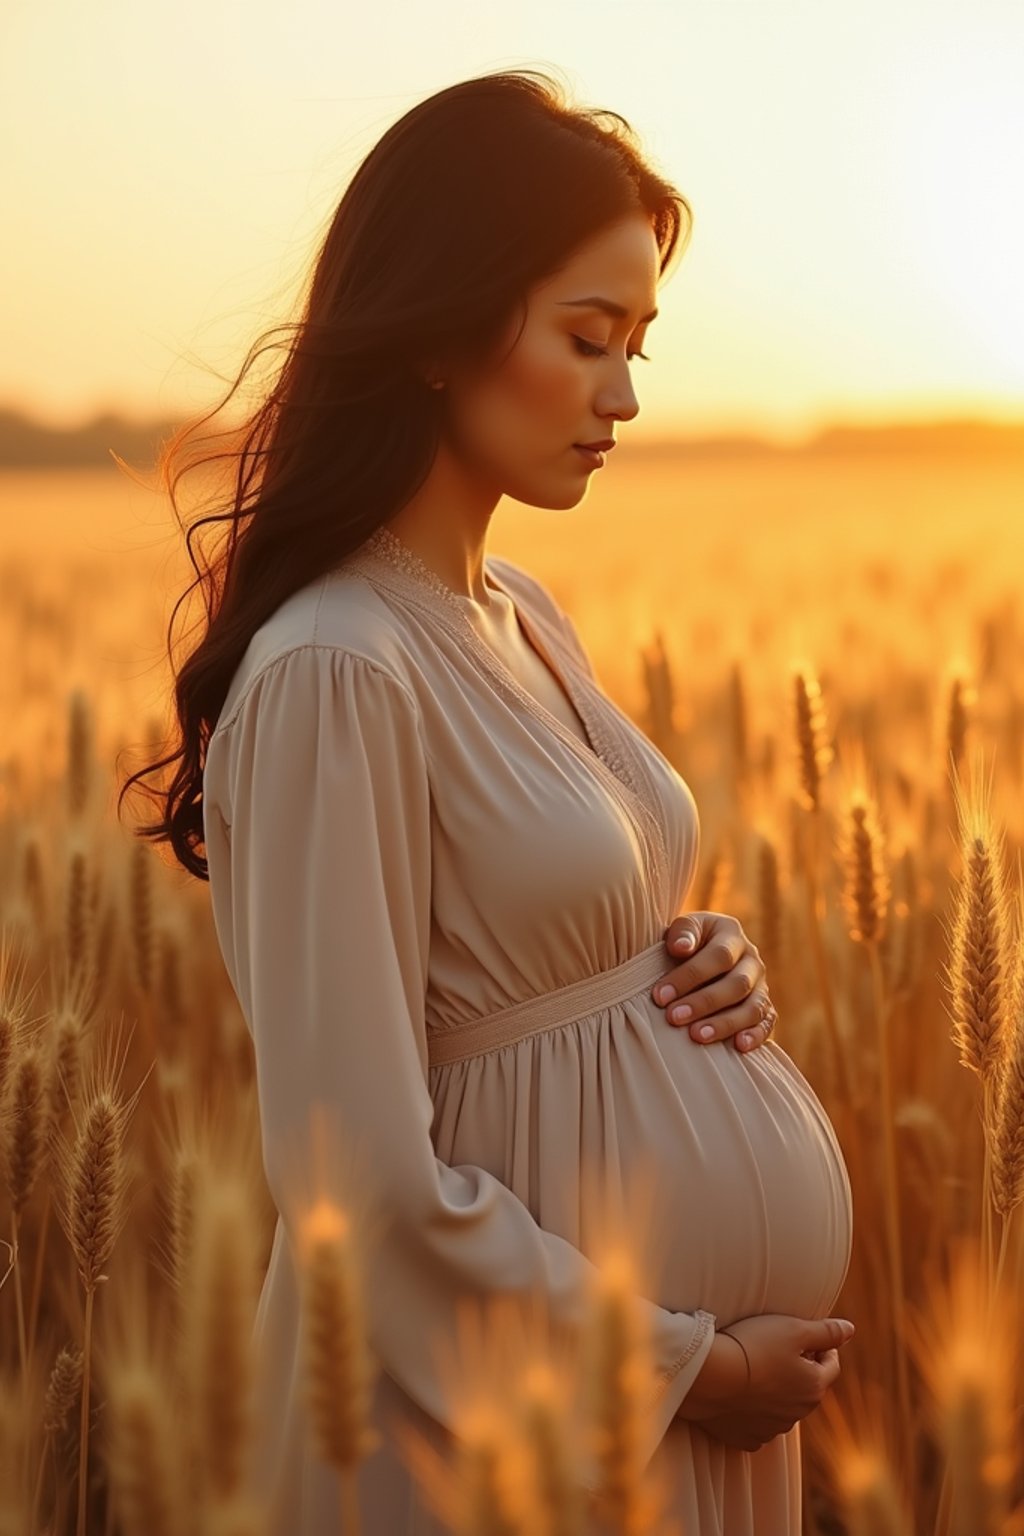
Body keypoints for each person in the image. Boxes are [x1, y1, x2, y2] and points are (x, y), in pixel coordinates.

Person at [121, 67, 855, 1534]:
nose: (624, 395)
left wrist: (682, 954)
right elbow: (356, 1193)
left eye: (639, 344)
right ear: (448, 329)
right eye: (589, 339)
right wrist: (688, 1368)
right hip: (507, 1436)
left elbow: (546, 943)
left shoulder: (515, 610)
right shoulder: (338, 666)